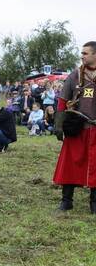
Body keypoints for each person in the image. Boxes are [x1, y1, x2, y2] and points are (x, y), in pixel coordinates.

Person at [53, 41, 96, 213]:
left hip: (95, 130)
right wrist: (59, 125)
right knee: (69, 164)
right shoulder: (74, 76)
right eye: (82, 53)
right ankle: (66, 201)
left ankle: (94, 204)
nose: (82, 56)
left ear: (94, 55)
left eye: (85, 53)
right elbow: (62, 101)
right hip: (76, 128)